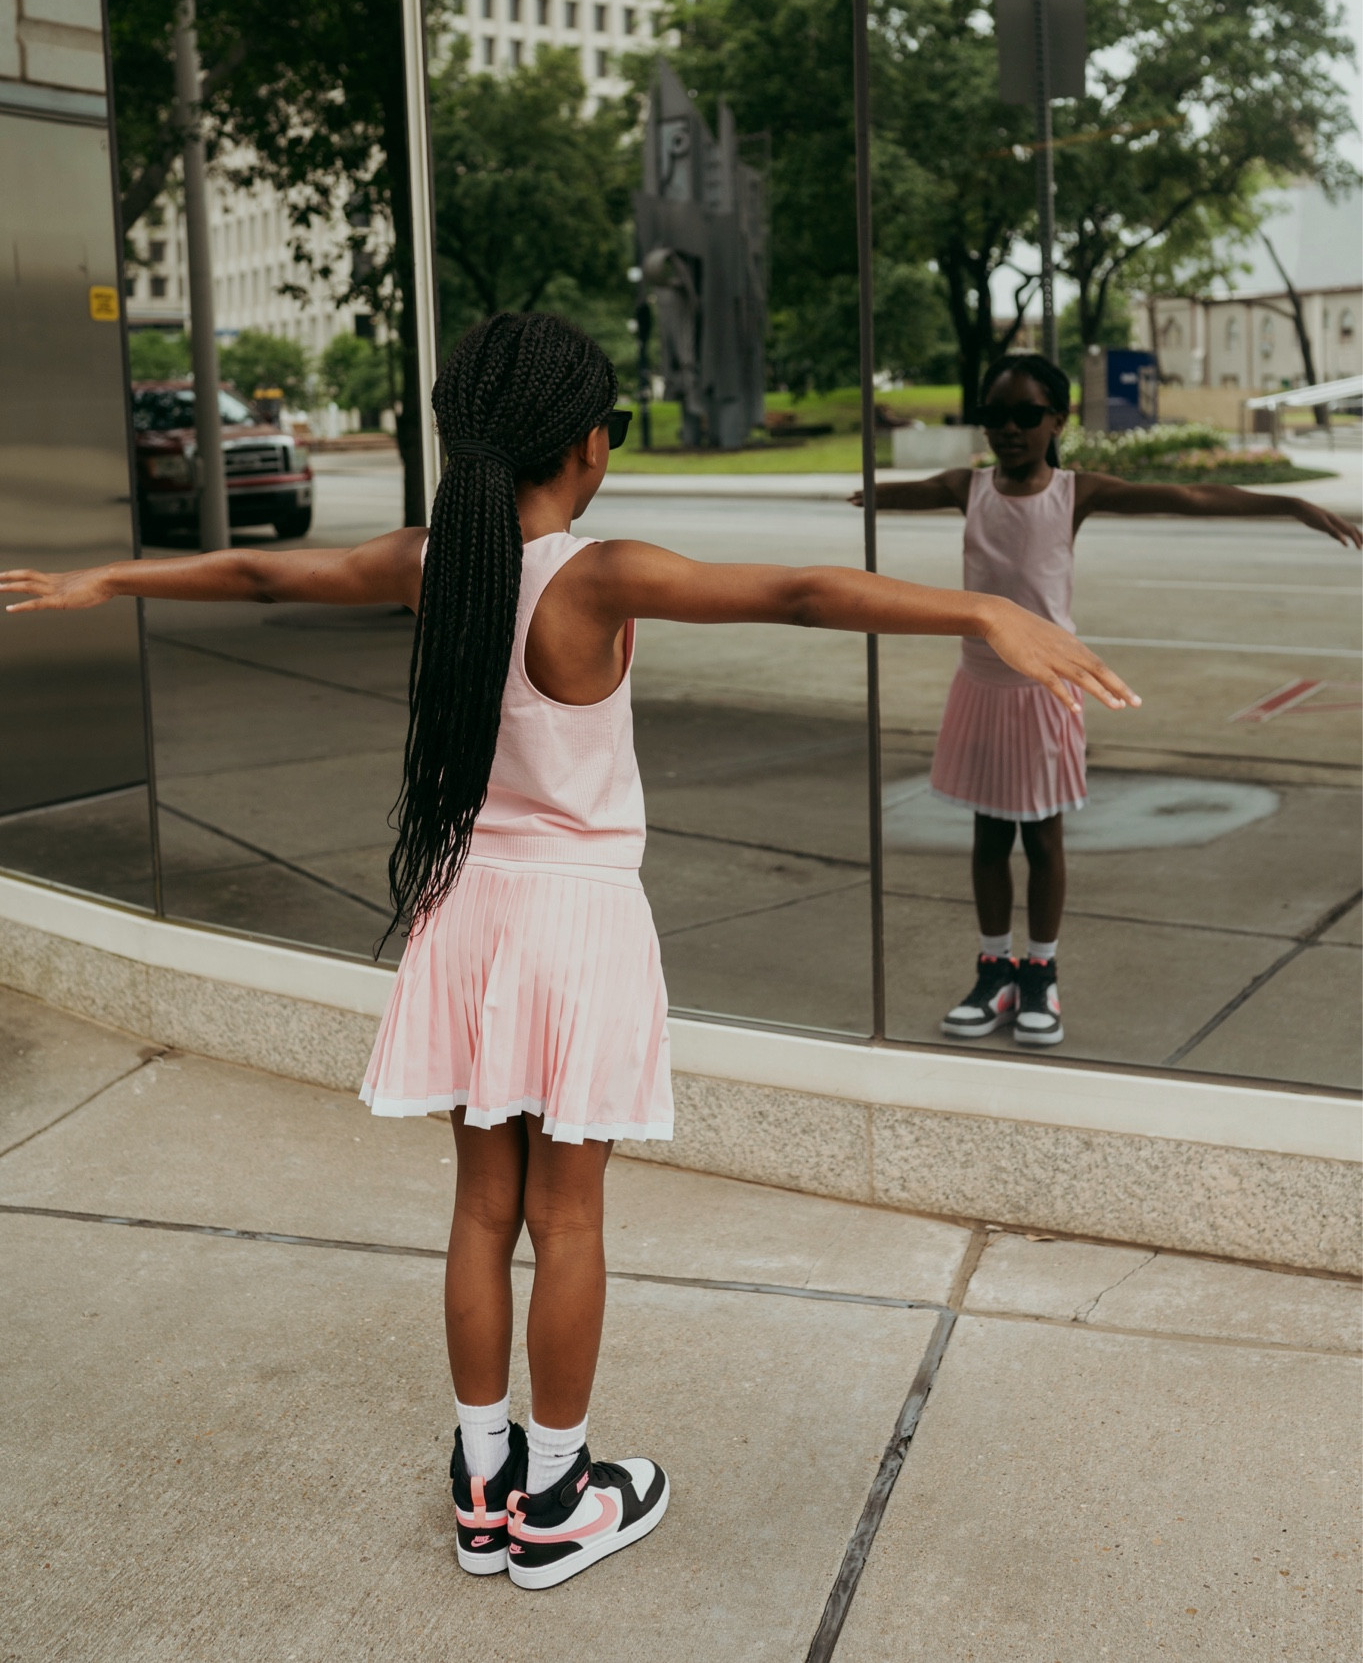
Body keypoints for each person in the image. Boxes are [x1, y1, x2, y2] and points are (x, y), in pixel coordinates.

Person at [2, 315, 1137, 1591]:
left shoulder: (436, 562)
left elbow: (269, 578)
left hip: (464, 913)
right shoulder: (591, 576)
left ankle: (482, 1477)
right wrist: (982, 607)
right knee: (569, 1215)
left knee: (482, 1208)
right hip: (576, 923)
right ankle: (558, 1495)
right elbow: (805, 594)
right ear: (588, 444)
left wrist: (115, 577)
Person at [862, 353, 1361, 1049]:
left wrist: (1287, 503)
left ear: (1057, 420)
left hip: (1045, 688)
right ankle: (993, 968)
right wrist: (868, 494)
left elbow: (1186, 498)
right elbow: (908, 491)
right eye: (995, 415)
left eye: (1026, 415)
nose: (1009, 429)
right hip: (979, 685)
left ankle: (1039, 972)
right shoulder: (966, 486)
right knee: (985, 835)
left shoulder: (1073, 493)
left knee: (1040, 834)